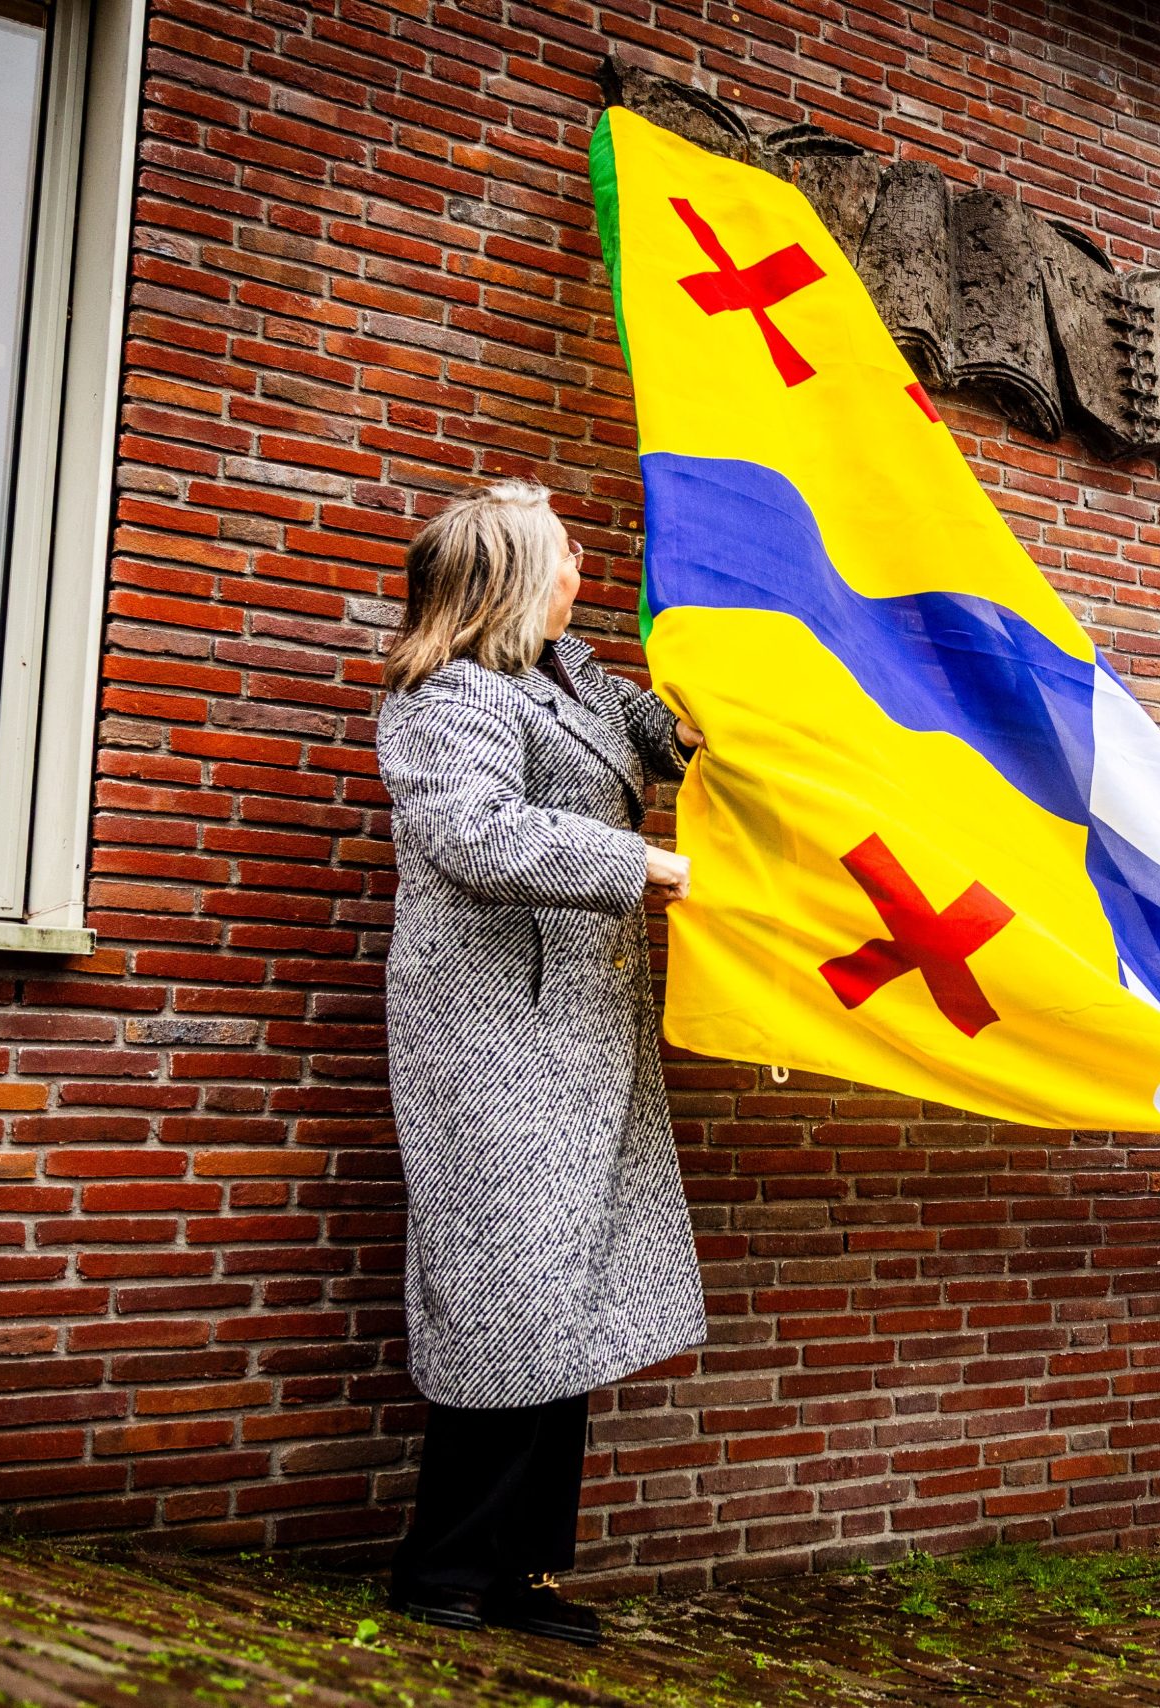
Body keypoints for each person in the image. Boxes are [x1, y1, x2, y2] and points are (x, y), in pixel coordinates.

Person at [374, 482, 709, 1646]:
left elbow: (662, 738)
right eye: (563, 551)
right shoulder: (446, 696)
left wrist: (727, 696)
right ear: (512, 573)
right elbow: (475, 833)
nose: (581, 564)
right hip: (493, 1040)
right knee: (508, 1296)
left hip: (583, 1032)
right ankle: (443, 1569)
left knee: (568, 1299)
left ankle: (522, 1573)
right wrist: (647, 867)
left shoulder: (571, 674)